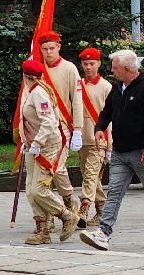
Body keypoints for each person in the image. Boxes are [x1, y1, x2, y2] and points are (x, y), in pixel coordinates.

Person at [81, 49, 144, 251]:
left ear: (128, 69)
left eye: (115, 68)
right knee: (114, 192)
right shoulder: (118, 86)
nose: (112, 71)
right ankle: (104, 233)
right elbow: (107, 110)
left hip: (142, 151)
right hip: (120, 151)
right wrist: (100, 127)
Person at [18, 57, 75, 245]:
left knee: (39, 189)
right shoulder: (35, 90)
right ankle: (42, 230)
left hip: (46, 147)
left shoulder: (38, 93)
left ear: (26, 76)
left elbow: (49, 122)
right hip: (35, 146)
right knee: (30, 190)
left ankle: (66, 215)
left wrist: (37, 142)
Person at [35, 31, 84, 218]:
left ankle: (69, 200)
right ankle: (64, 201)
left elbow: (77, 100)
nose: (48, 52)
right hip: (43, 125)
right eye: (45, 49)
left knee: (57, 165)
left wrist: (77, 129)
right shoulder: (38, 69)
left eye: (52, 48)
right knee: (48, 166)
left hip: (63, 125)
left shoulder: (69, 68)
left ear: (58, 47)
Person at [76, 46, 112, 227]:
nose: (88, 67)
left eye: (91, 63)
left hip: (100, 140)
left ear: (98, 63)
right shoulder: (77, 86)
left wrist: (110, 145)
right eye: (85, 63)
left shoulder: (106, 87)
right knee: (90, 177)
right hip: (82, 139)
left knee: (90, 176)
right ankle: (102, 210)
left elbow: (111, 118)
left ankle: (83, 209)